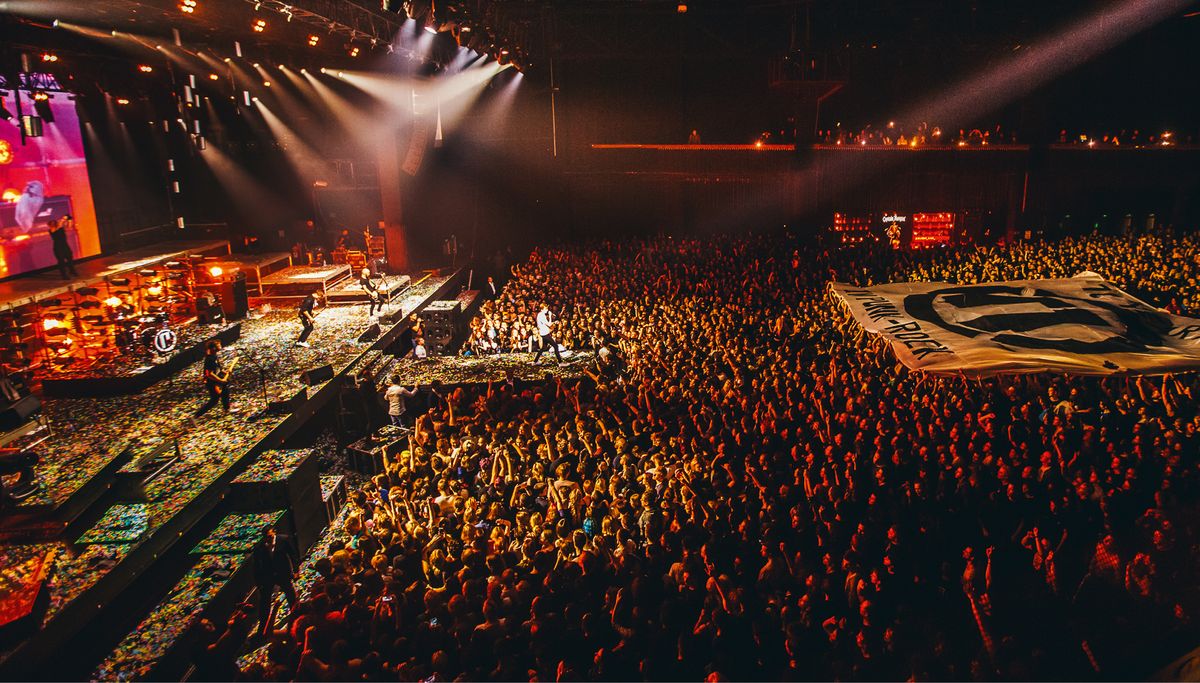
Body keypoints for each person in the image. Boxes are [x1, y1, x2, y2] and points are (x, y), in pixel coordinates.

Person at [252, 528, 298, 637]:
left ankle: (296, 614)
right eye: (266, 537)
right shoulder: (259, 547)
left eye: (270, 536)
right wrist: (259, 582)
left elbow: (292, 555)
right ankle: (262, 627)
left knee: (290, 594)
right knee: (265, 601)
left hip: (283, 573)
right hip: (268, 576)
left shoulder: (284, 540)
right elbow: (256, 566)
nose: (268, 538)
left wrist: (296, 570)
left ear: (274, 532)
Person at [195, 339, 237, 416]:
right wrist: (220, 380)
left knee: (225, 392)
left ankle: (227, 408)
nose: (220, 346)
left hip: (216, 381)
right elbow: (209, 374)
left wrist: (224, 372)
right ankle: (197, 415)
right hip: (211, 383)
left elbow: (217, 369)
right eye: (218, 345)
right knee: (214, 400)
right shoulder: (209, 359)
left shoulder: (214, 356)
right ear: (213, 348)